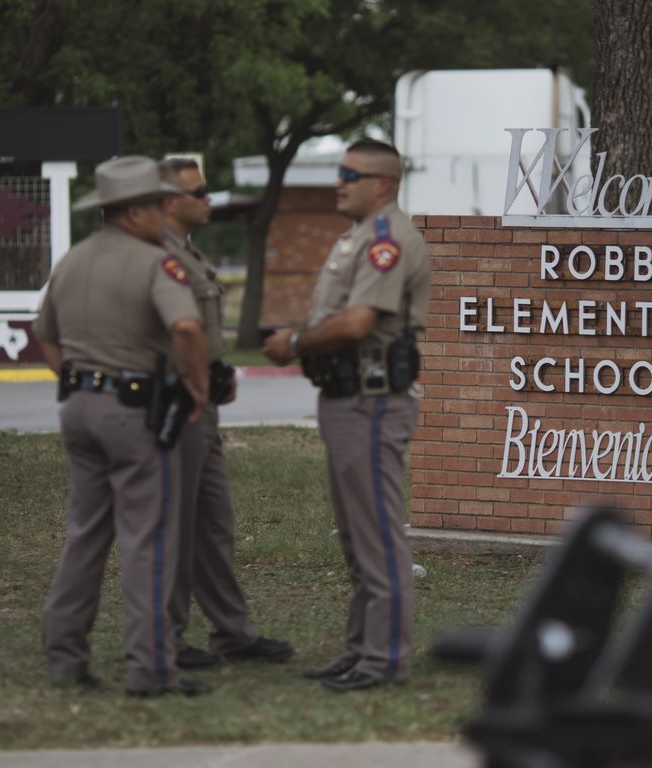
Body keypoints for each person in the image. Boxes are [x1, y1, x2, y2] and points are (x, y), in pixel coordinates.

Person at [34, 155, 212, 697]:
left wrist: (79, 376)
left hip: (79, 408)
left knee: (86, 536)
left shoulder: (74, 260)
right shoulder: (155, 263)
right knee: (148, 541)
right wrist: (198, 387)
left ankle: (65, 657)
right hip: (135, 414)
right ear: (133, 212)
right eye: (159, 203)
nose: (167, 210)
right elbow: (184, 325)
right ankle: (152, 670)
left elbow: (41, 331)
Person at [263, 139, 430, 693]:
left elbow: (358, 323)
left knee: (377, 533)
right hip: (347, 398)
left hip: (373, 401)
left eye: (349, 174)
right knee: (357, 534)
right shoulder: (358, 237)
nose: (339, 182)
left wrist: (296, 342)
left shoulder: (388, 241)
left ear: (382, 184)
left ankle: (384, 660)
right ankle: (360, 649)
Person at [158, 157, 294, 669]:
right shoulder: (158, 255)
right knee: (175, 526)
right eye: (200, 191)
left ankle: (232, 632)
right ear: (169, 202)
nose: (209, 198)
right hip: (178, 405)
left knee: (213, 523)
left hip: (205, 403)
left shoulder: (188, 253)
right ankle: (166, 641)